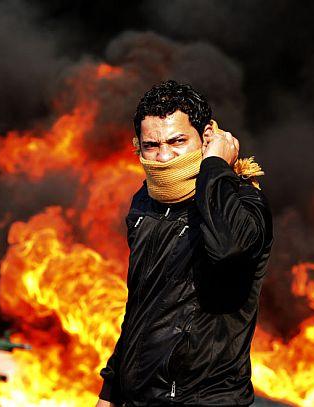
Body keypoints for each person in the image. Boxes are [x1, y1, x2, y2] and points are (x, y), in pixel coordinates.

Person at [96, 80, 273, 406]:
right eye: (151, 145)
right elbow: (141, 305)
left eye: (177, 141)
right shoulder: (145, 203)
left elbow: (227, 250)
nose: (164, 157)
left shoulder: (244, 203)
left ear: (206, 137)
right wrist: (111, 389)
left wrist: (215, 167)